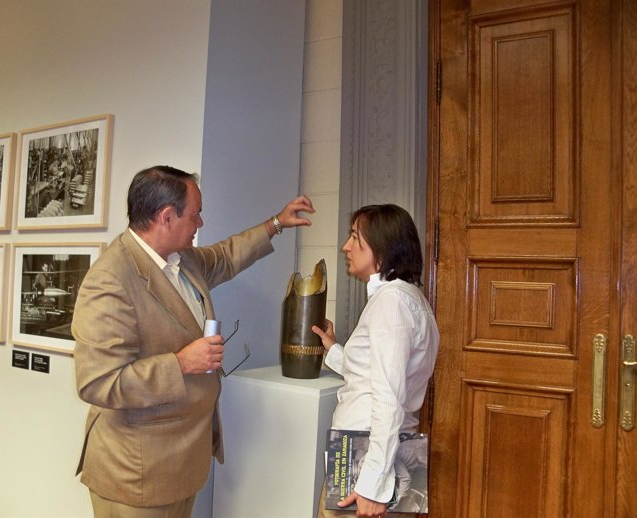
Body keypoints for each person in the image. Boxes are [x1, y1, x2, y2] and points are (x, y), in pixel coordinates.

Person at [72, 165, 314, 518]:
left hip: (179, 466)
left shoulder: (181, 260)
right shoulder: (111, 280)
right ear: (167, 217)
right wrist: (182, 362)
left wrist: (276, 223)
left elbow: (226, 256)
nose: (200, 223)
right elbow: (99, 382)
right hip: (136, 478)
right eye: (196, 214)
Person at [312, 204, 439, 518]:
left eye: (356, 237)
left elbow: (388, 396)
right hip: (375, 457)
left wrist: (373, 485)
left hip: (367, 462)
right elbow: (375, 373)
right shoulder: (408, 298)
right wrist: (334, 350)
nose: (346, 246)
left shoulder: (391, 303)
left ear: (383, 248)